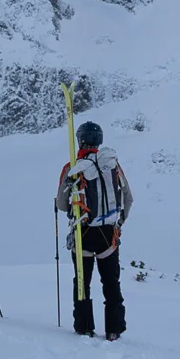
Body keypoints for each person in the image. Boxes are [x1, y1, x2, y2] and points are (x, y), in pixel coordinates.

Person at [56, 120, 133, 339]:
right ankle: (114, 330)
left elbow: (62, 205)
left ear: (80, 139)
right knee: (111, 283)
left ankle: (84, 327)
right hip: (109, 234)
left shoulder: (72, 167)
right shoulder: (111, 165)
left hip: (83, 234)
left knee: (82, 282)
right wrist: (119, 223)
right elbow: (128, 197)